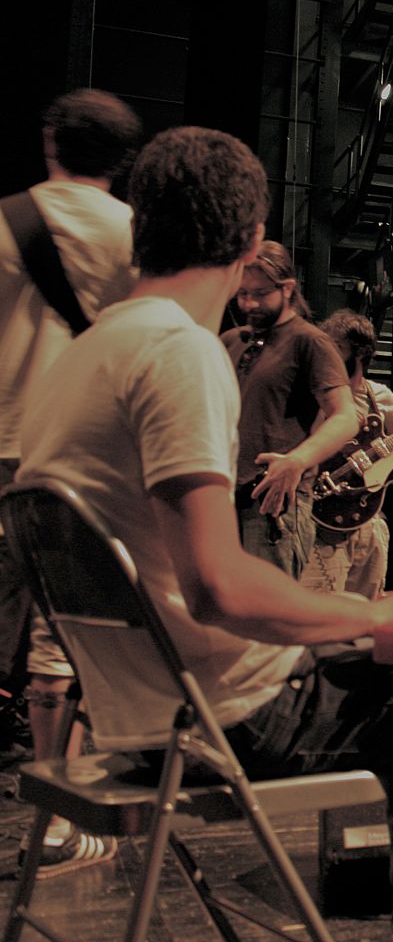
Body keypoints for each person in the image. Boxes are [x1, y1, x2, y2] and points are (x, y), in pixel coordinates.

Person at [15, 125, 393, 942]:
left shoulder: (76, 361)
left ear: (139, 224)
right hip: (235, 719)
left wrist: (374, 629)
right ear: (252, 239)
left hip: (143, 719)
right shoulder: (178, 351)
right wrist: (377, 612)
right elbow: (219, 587)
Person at [0, 87, 141, 876]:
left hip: (3, 443)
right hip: (88, 452)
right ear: (123, 160)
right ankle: (55, 816)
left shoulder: (7, 220)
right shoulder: (137, 236)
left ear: (51, 139)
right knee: (70, 626)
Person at [225, 239, 357, 579]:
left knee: (268, 624)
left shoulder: (309, 341)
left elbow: (345, 417)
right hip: (222, 497)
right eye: (241, 294)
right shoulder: (231, 341)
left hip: (273, 503)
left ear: (287, 288)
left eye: (259, 293)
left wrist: (297, 460)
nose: (249, 303)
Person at [300, 308, 393, 600]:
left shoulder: (381, 396)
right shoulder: (315, 393)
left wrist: (379, 466)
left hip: (368, 517)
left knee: (368, 608)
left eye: (337, 348)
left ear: (359, 354)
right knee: (322, 605)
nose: (328, 355)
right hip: (322, 521)